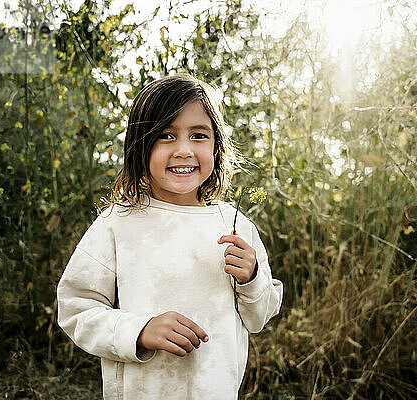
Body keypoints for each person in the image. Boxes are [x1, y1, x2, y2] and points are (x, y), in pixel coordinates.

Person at [57, 73, 283, 399]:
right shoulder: (118, 223)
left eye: (198, 135)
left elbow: (259, 316)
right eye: (165, 135)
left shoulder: (235, 225)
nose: (183, 150)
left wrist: (252, 277)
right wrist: (140, 331)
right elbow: (76, 309)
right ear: (140, 145)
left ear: (217, 145)